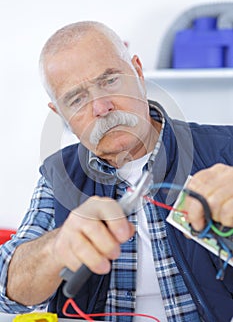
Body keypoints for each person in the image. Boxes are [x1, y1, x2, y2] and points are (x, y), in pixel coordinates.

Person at [0, 21, 233, 322]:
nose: (101, 106)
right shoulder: (57, 175)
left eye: (109, 80)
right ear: (61, 114)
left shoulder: (226, 149)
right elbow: (7, 291)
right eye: (77, 99)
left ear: (137, 71)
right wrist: (56, 248)